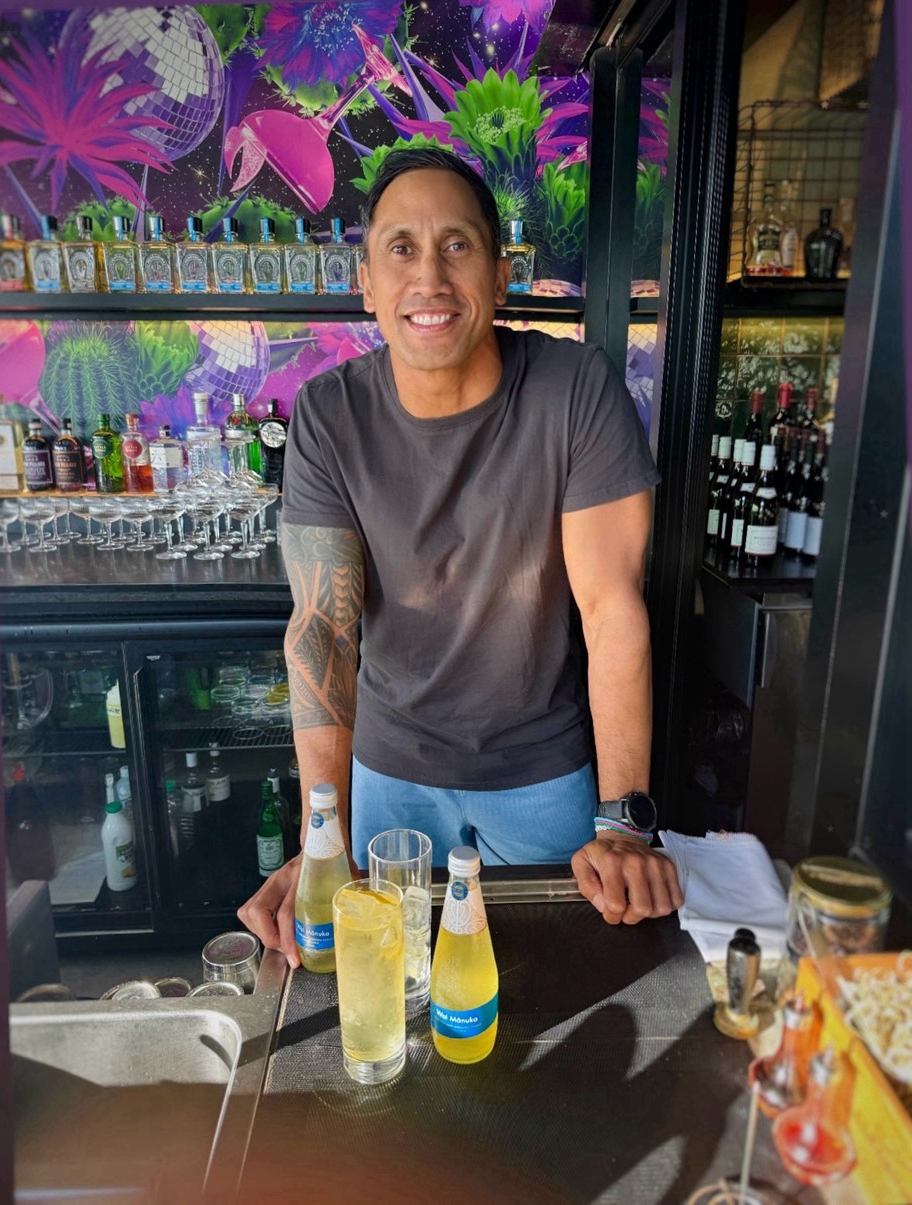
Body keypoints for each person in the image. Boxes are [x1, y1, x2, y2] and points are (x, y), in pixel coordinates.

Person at [238, 148, 683, 967]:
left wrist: (623, 822)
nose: (429, 278)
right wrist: (321, 838)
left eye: (457, 245)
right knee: (386, 988)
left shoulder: (574, 388)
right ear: (366, 283)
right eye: (401, 248)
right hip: (389, 774)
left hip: (543, 774)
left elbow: (612, 608)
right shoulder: (330, 415)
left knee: (559, 979)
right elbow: (324, 631)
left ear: (501, 273)